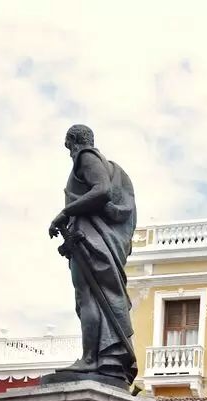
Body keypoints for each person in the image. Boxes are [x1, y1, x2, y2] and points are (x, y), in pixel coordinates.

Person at [47, 124, 138, 386]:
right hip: (97, 239)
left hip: (91, 239)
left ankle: (90, 359)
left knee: (87, 295)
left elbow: (101, 190)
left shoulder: (86, 157)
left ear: (74, 141)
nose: (70, 154)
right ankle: (105, 357)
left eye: (69, 148)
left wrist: (65, 213)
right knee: (97, 298)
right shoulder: (105, 163)